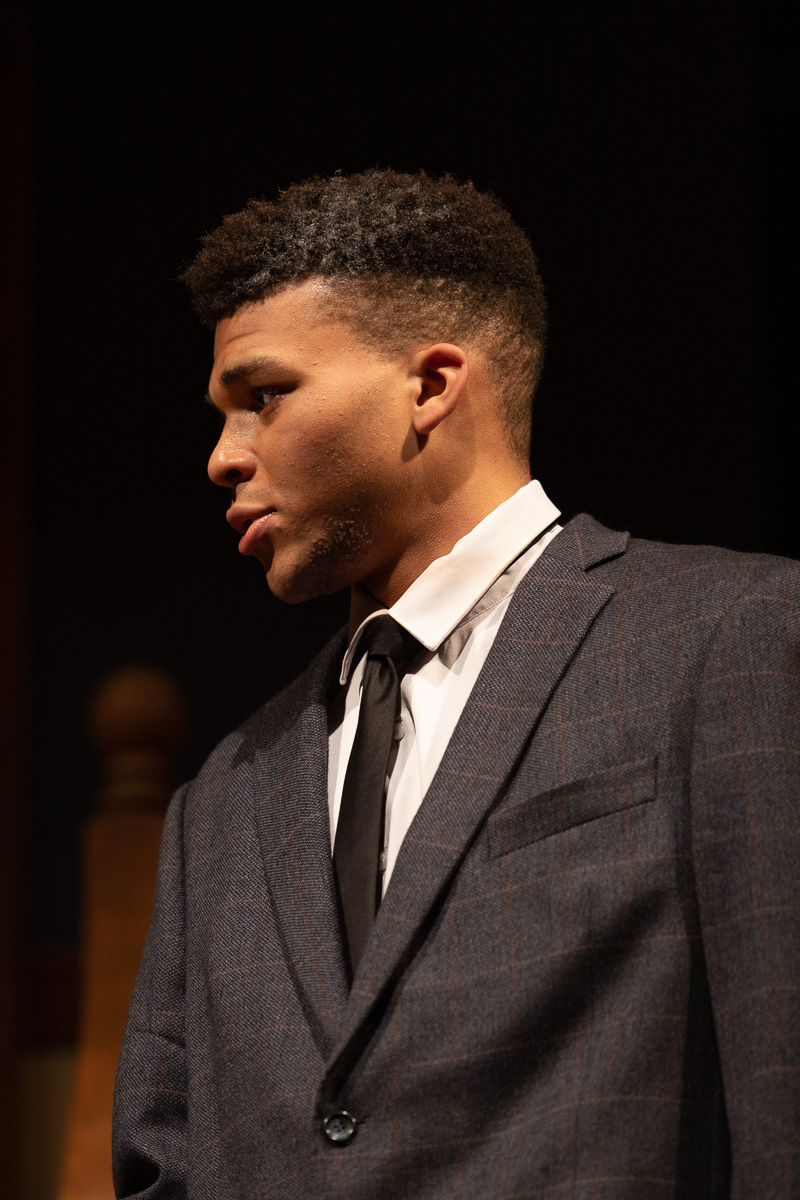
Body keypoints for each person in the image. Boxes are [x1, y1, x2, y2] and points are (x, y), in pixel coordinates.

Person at [112, 169, 799, 1199]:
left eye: (263, 398)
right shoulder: (222, 798)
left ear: (430, 386)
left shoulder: (734, 635)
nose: (222, 457)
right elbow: (162, 1166)